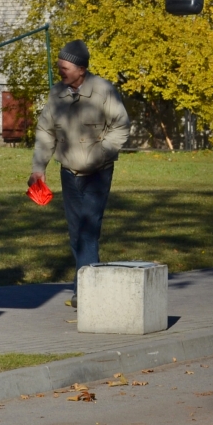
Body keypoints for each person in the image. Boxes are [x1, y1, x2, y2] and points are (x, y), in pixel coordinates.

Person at [28, 41, 130, 291]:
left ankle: (86, 291)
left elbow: (121, 125)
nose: (61, 71)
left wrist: (101, 153)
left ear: (81, 69)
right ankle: (86, 283)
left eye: (65, 67)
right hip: (68, 173)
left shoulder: (104, 90)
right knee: (76, 232)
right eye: (60, 67)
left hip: (98, 173)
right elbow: (45, 132)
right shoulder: (57, 94)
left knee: (88, 228)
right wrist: (38, 168)